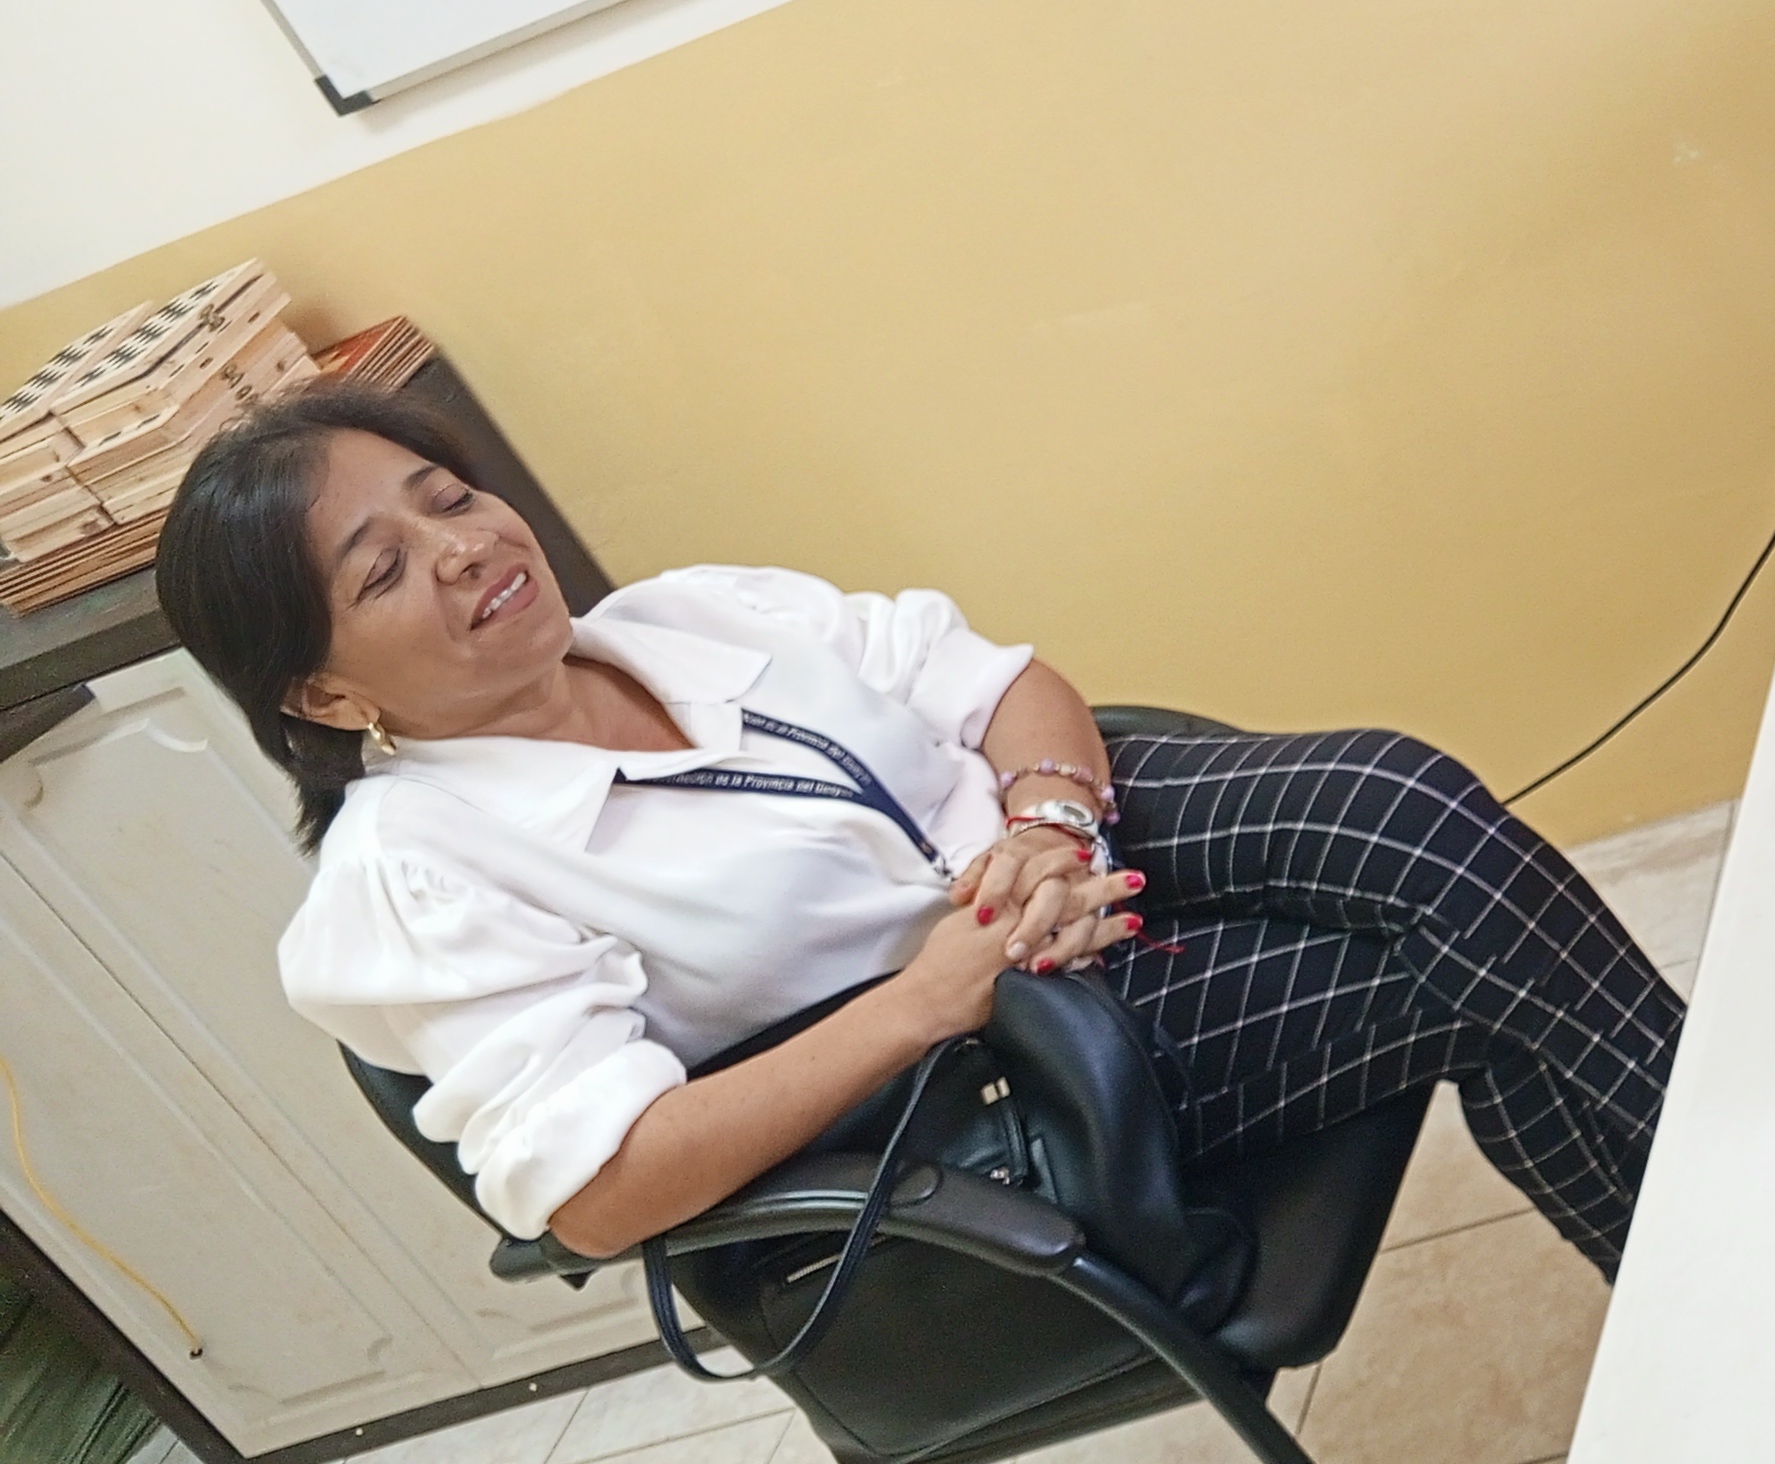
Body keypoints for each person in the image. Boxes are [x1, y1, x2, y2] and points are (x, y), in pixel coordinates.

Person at [153, 385, 1681, 1278]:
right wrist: (931, 995)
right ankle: (1734, 1244)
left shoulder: (686, 615)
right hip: (994, 1060)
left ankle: (1721, 1246)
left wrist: (1050, 819)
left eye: (448, 497)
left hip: (1058, 872)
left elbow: (1003, 685)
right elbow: (599, 1194)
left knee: (1403, 805)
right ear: (322, 690)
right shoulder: (413, 877)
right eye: (383, 568)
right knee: (1453, 970)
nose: (466, 547)